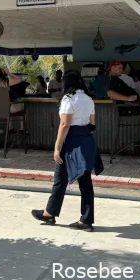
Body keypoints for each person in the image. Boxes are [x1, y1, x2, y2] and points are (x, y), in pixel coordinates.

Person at [31, 70, 103, 231]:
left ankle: (50, 213)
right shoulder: (89, 99)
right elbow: (92, 123)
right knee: (85, 182)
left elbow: (64, 125)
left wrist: (57, 148)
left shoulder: (68, 99)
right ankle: (85, 219)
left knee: (60, 177)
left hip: (71, 140)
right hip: (87, 139)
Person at [106, 61, 140, 152]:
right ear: (112, 68)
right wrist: (127, 98)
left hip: (136, 105)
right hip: (131, 108)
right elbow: (110, 93)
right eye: (119, 68)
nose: (121, 70)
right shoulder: (112, 80)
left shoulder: (118, 80)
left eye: (122, 68)